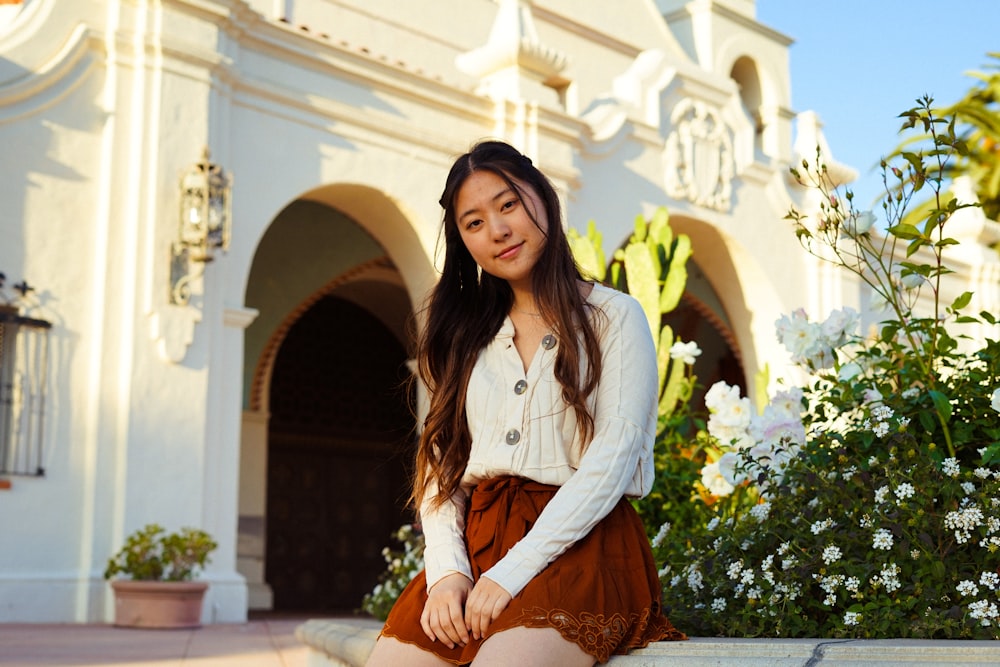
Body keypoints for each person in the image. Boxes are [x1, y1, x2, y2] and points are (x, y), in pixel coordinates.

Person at [365, 140, 686, 667]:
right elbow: (441, 467)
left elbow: (613, 457)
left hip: (581, 544)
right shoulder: (467, 336)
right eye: (473, 222)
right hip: (476, 545)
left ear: (542, 198)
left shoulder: (615, 317)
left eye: (507, 204)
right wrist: (447, 572)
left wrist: (511, 573)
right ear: (464, 241)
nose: (497, 230)